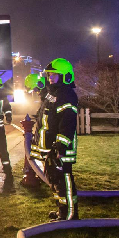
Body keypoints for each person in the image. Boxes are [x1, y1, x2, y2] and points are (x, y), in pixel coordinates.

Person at [39, 58, 80, 221]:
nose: (50, 78)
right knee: (55, 180)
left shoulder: (67, 95)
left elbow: (67, 122)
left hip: (61, 148)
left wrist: (60, 146)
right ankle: (61, 210)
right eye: (49, 75)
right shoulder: (54, 94)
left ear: (65, 76)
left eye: (54, 75)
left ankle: (70, 214)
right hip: (53, 147)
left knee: (64, 180)